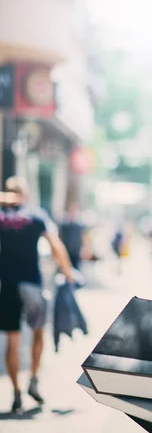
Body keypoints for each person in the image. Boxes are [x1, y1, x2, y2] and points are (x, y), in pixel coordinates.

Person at [0, 177, 74, 414]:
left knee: (12, 340)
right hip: (32, 282)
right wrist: (67, 271)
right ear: (26, 194)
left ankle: (16, 392)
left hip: (7, 286)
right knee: (38, 333)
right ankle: (33, 379)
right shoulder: (37, 215)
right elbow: (55, 245)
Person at [59, 202, 86, 270]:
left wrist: (84, 248)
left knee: (76, 268)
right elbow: (61, 236)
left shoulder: (80, 225)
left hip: (76, 250)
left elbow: (83, 236)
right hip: (66, 250)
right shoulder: (64, 224)